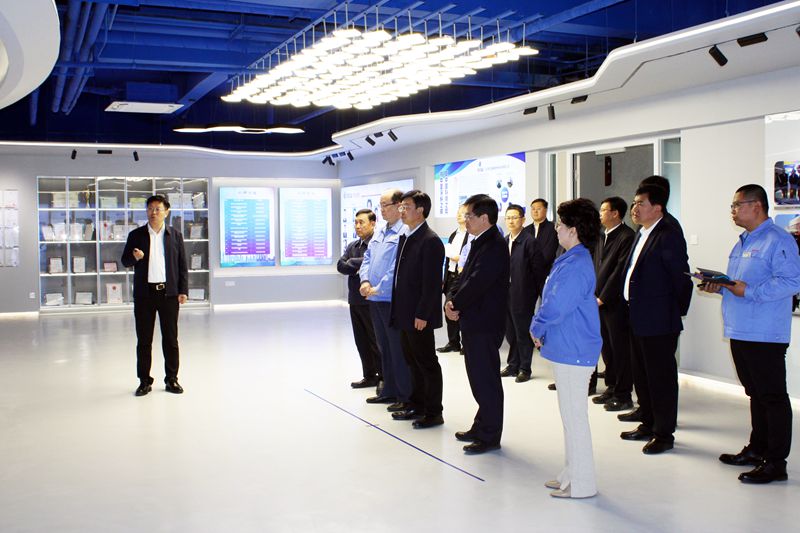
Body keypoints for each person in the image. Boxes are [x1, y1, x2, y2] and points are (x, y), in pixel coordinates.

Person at [699, 184, 800, 484]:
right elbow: (738, 284)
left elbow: (792, 281)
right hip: (741, 328)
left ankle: (776, 462)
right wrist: (720, 286)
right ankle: (758, 449)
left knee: (772, 396)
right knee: (755, 393)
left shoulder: (778, 239)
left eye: (737, 205)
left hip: (765, 332)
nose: (732, 211)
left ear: (756, 206)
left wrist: (750, 291)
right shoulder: (743, 241)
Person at [530, 198, 602, 499]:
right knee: (570, 416)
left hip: (575, 349)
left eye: (560, 224)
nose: (556, 228)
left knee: (575, 418)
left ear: (573, 230)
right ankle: (570, 473)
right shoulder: (571, 258)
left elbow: (557, 305)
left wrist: (537, 326)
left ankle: (582, 484)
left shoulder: (576, 263)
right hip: (568, 345)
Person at [619, 184, 692, 454]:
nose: (635, 208)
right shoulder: (642, 232)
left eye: (641, 203)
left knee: (660, 379)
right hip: (637, 316)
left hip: (659, 320)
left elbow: (680, 279)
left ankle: (663, 434)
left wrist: (672, 311)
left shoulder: (668, 234)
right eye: (634, 203)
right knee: (642, 374)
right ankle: (648, 422)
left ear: (658, 208)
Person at [445, 194, 510, 454]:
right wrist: (451, 299)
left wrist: (456, 304)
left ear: (484, 218)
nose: (465, 220)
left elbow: (478, 282)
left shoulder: (494, 244)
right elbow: (463, 277)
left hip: (485, 322)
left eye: (469, 216)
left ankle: (490, 435)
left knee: (486, 379)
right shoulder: (479, 241)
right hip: (473, 321)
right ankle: (481, 425)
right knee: (478, 377)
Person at [121, 194, 188, 396]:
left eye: (158, 209)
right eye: (150, 209)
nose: (153, 212)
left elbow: (182, 266)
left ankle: (172, 379)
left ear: (166, 212)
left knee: (171, 339)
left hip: (169, 295)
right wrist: (135, 257)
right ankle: (144, 381)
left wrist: (183, 290)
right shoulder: (136, 235)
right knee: (144, 340)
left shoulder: (175, 235)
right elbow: (125, 261)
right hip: (145, 295)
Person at [390, 191, 446, 428]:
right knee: (412, 360)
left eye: (406, 206)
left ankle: (433, 412)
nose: (401, 211)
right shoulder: (407, 236)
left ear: (420, 210)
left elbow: (432, 284)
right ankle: (417, 404)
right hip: (404, 312)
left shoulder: (430, 240)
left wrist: (422, 314)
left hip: (418, 315)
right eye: (401, 206)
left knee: (426, 362)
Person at [359, 190, 412, 410]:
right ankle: (388, 390)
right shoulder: (380, 232)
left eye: (385, 205)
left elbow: (396, 268)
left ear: (399, 206)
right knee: (384, 347)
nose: (382, 210)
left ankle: (404, 394)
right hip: (374, 299)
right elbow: (367, 259)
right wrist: (364, 281)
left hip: (390, 299)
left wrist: (378, 288)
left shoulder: (404, 232)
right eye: (380, 205)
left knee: (397, 349)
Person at [591, 197, 636, 412]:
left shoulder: (627, 236)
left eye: (603, 210)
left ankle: (623, 393)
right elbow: (597, 268)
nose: (600, 214)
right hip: (598, 301)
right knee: (607, 347)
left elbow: (620, 271)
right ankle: (611, 387)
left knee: (620, 349)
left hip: (615, 302)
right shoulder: (602, 235)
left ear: (615, 213)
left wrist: (603, 297)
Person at [337, 208, 382, 391]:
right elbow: (341, 265)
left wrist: (353, 263)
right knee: (361, 341)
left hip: (371, 300)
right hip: (355, 300)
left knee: (375, 340)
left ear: (373, 223)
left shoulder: (377, 244)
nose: (357, 226)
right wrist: (357, 264)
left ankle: (383, 376)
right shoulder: (353, 246)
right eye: (355, 222)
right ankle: (369, 375)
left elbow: (372, 263)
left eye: (361, 222)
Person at [501, 204, 545, 382]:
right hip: (506, 292)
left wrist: (538, 294)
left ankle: (525, 368)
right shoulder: (505, 240)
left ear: (523, 220)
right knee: (510, 331)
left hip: (523, 294)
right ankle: (513, 365)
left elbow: (538, 271)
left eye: (515, 217)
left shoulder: (529, 241)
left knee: (522, 332)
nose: (511, 221)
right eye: (508, 218)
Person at [438, 205, 469, 354]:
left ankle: (465, 343)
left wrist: (458, 258)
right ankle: (453, 342)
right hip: (451, 274)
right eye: (457, 212)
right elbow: (447, 258)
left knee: (462, 309)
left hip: (462, 276)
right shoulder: (453, 234)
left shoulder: (470, 235)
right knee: (448, 308)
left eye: (462, 213)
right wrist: (444, 278)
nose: (458, 215)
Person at [523, 198, 559, 285]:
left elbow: (549, 252)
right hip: (528, 276)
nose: (535, 211)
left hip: (547, 274)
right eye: (533, 209)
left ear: (546, 210)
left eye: (538, 209)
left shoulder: (553, 228)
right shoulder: (526, 230)